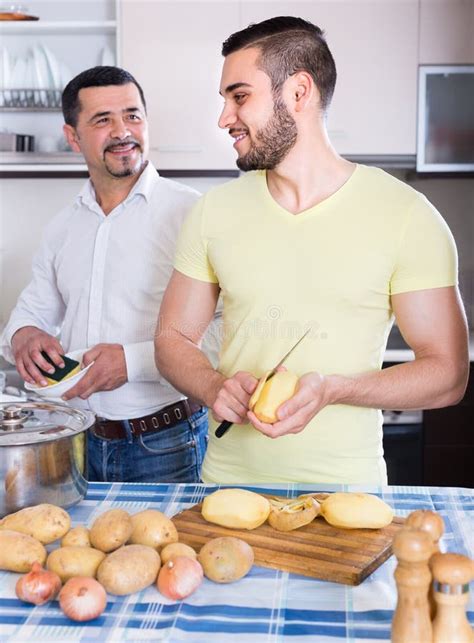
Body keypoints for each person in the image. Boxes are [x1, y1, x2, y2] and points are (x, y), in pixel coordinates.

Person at [154, 16, 469, 485]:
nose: (224, 118)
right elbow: (172, 338)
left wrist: (334, 389)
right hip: (228, 488)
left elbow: (448, 374)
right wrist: (213, 385)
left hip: (349, 494)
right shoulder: (212, 212)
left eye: (239, 97)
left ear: (299, 92)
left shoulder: (406, 215)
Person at [1, 66, 215, 483]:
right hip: (74, 441)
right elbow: (29, 313)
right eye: (103, 120)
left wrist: (132, 362)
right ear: (72, 136)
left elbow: (229, 331)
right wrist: (24, 334)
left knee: (170, 550)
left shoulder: (193, 214)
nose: (123, 131)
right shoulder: (63, 227)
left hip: (166, 442)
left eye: (132, 115)